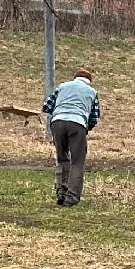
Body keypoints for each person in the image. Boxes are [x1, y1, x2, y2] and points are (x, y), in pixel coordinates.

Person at [42, 70, 101, 206]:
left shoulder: (63, 86)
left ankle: (61, 192)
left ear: (75, 78)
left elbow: (47, 106)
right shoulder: (92, 92)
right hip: (78, 123)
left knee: (62, 158)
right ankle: (72, 198)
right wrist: (85, 128)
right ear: (89, 81)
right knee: (77, 162)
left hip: (57, 122)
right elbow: (94, 117)